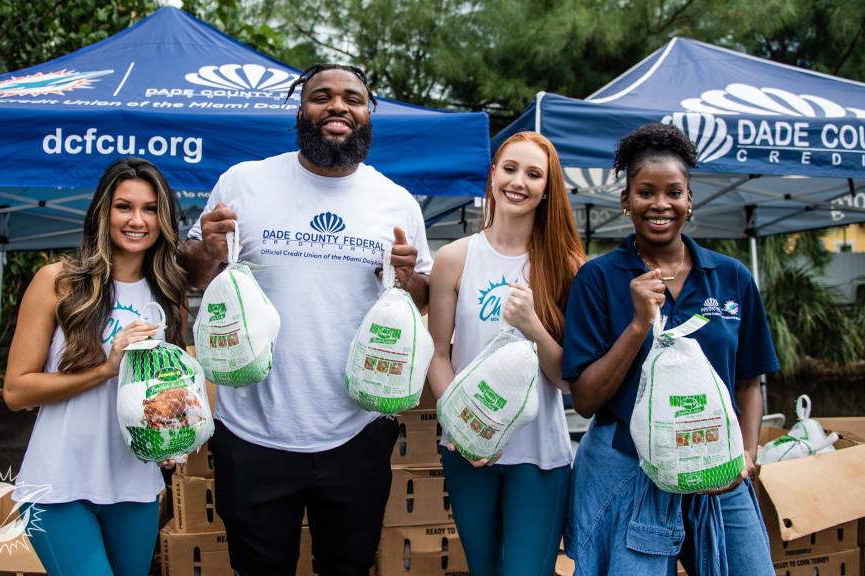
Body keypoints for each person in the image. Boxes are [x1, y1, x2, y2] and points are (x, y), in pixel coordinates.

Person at [182, 63, 432, 576]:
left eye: (352, 99)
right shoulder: (244, 183)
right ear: (301, 110)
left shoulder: (397, 202)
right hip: (252, 429)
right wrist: (205, 249)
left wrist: (409, 279)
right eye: (322, 96)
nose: (337, 106)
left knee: (349, 567)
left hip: (357, 429)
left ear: (368, 114)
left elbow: (421, 296)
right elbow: (195, 274)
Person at [561, 123, 780, 576]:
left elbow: (749, 380)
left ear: (689, 200)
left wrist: (748, 453)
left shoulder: (730, 275)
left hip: (718, 467)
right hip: (630, 468)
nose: (660, 204)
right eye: (645, 192)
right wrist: (639, 324)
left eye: (674, 192)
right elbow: (585, 400)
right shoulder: (598, 280)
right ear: (626, 202)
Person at [4, 157, 188, 576]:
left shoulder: (170, 293)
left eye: (150, 208)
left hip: (134, 485)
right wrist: (105, 369)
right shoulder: (58, 281)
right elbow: (16, 391)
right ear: (102, 212)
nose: (137, 220)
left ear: (164, 218)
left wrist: (171, 437)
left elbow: (164, 390)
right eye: (124, 206)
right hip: (58, 483)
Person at [427, 131, 585, 575]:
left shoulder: (568, 266)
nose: (519, 181)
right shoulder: (455, 258)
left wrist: (532, 326)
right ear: (493, 173)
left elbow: (569, 380)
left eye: (534, 174)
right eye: (510, 168)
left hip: (539, 456)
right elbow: (438, 356)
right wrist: (459, 426)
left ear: (547, 188)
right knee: (484, 569)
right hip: (467, 447)